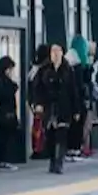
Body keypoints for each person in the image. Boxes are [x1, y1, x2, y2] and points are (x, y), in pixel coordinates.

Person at [35, 44, 78, 174]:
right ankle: (52, 161)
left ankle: (59, 162)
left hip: (63, 106)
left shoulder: (68, 69)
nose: (54, 54)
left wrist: (76, 110)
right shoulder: (44, 69)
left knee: (61, 135)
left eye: (57, 51)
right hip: (49, 106)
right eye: (52, 51)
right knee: (50, 136)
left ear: (62, 53)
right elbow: (37, 88)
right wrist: (38, 103)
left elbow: (73, 90)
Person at [27, 44, 51, 159]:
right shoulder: (45, 68)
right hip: (42, 102)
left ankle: (37, 149)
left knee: (37, 126)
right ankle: (41, 149)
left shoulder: (34, 68)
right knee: (42, 126)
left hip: (36, 102)